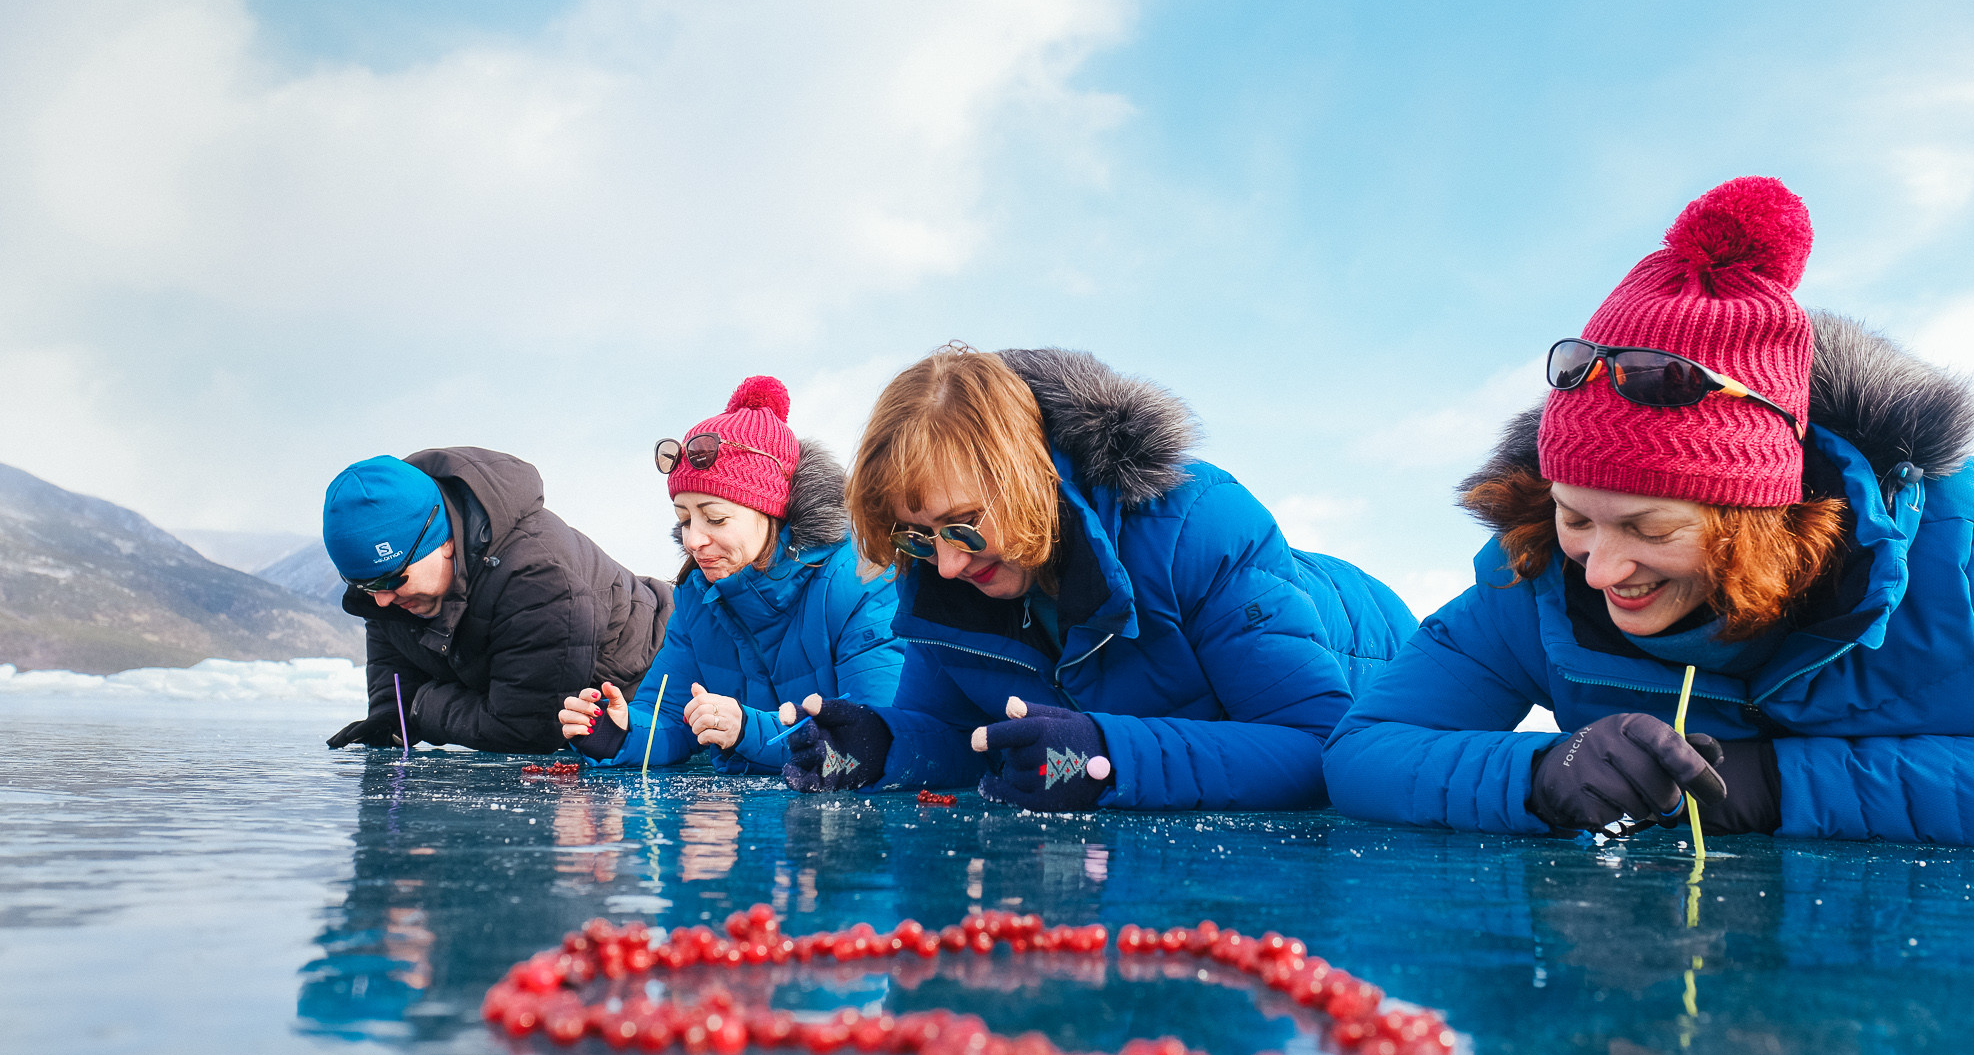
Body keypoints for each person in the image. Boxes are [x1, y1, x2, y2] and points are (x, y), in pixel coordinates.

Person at [1323, 176, 1974, 845]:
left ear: (1759, 515)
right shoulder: (1533, 576)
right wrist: (1537, 775)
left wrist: (1774, 783)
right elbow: (1364, 752)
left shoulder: (1965, 550)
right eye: (1577, 517)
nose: (1599, 570)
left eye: (1649, 527)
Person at [781, 345, 1417, 810]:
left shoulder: (1201, 527)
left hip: (1383, 659)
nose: (947, 563)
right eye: (918, 537)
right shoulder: (943, 584)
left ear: (1030, 479)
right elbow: (961, 737)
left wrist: (1106, 755)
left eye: (965, 523)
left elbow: (1315, 748)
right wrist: (882, 744)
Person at [558, 376, 902, 772]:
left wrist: (747, 730)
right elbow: (668, 716)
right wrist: (616, 733)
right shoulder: (698, 597)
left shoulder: (861, 579)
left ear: (772, 510)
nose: (693, 540)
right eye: (684, 519)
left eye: (715, 518)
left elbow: (874, 735)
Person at [322, 449, 672, 753]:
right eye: (363, 585)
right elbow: (394, 650)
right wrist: (390, 713)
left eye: (391, 579)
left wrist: (418, 709)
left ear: (441, 541)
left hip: (662, 686)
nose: (380, 600)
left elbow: (530, 727)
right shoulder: (393, 590)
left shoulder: (538, 579)